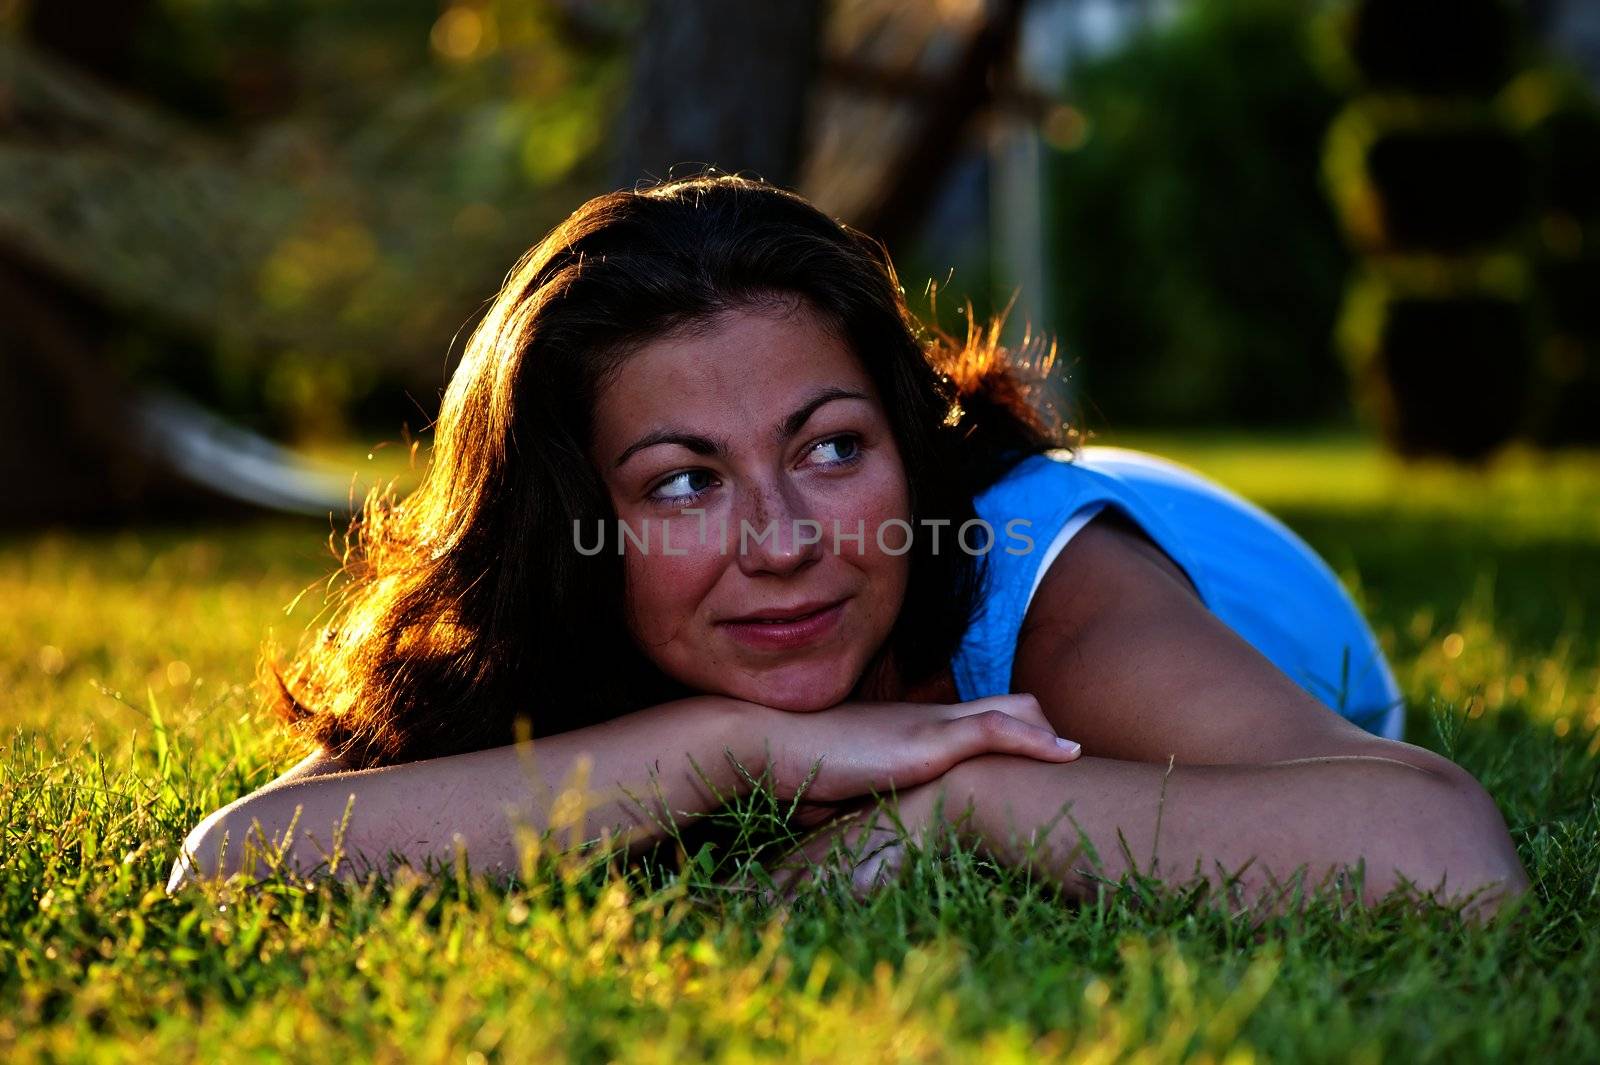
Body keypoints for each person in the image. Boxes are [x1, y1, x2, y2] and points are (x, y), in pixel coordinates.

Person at [168, 173, 1528, 919]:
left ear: (908, 445)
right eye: (683, 480)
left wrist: (969, 804)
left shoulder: (1041, 587)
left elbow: (1447, 856)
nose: (784, 542)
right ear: (568, 521)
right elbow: (235, 862)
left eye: (831, 449)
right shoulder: (567, 615)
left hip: (1186, 541)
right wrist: (729, 746)